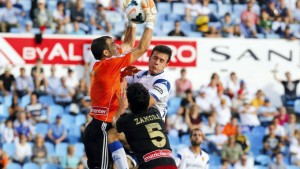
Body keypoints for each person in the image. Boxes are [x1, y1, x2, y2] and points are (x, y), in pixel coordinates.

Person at [82, 0, 157, 168]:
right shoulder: (108, 64)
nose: (118, 45)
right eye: (113, 44)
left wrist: (132, 20)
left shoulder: (107, 66)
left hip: (104, 126)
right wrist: (150, 20)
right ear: (106, 53)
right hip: (100, 127)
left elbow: (129, 43)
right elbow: (141, 48)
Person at [115, 83, 177, 169]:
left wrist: (121, 107)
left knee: (112, 135)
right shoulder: (156, 112)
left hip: (151, 166)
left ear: (129, 103)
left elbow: (115, 124)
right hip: (171, 164)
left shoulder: (127, 120)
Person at [125, 45, 172, 121]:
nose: (156, 62)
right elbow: (120, 85)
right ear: (149, 58)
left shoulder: (163, 82)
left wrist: (122, 102)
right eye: (155, 58)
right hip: (135, 118)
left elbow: (144, 105)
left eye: (161, 61)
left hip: (152, 122)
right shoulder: (138, 73)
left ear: (166, 65)